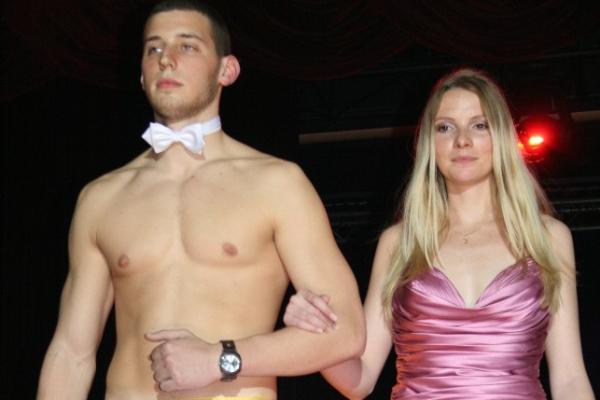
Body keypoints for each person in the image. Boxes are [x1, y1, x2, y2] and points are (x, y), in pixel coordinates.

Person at [36, 1, 365, 399]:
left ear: (227, 70)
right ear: (141, 74)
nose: (166, 59)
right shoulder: (101, 197)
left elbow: (346, 332)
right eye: (154, 48)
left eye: (187, 46)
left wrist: (220, 359)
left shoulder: (278, 184)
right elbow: (71, 352)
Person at [283, 68, 595, 399]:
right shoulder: (401, 243)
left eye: (479, 125)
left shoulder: (547, 238)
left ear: (502, 137)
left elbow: (570, 379)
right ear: (429, 144)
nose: (462, 140)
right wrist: (320, 335)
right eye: (445, 127)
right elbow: (360, 381)